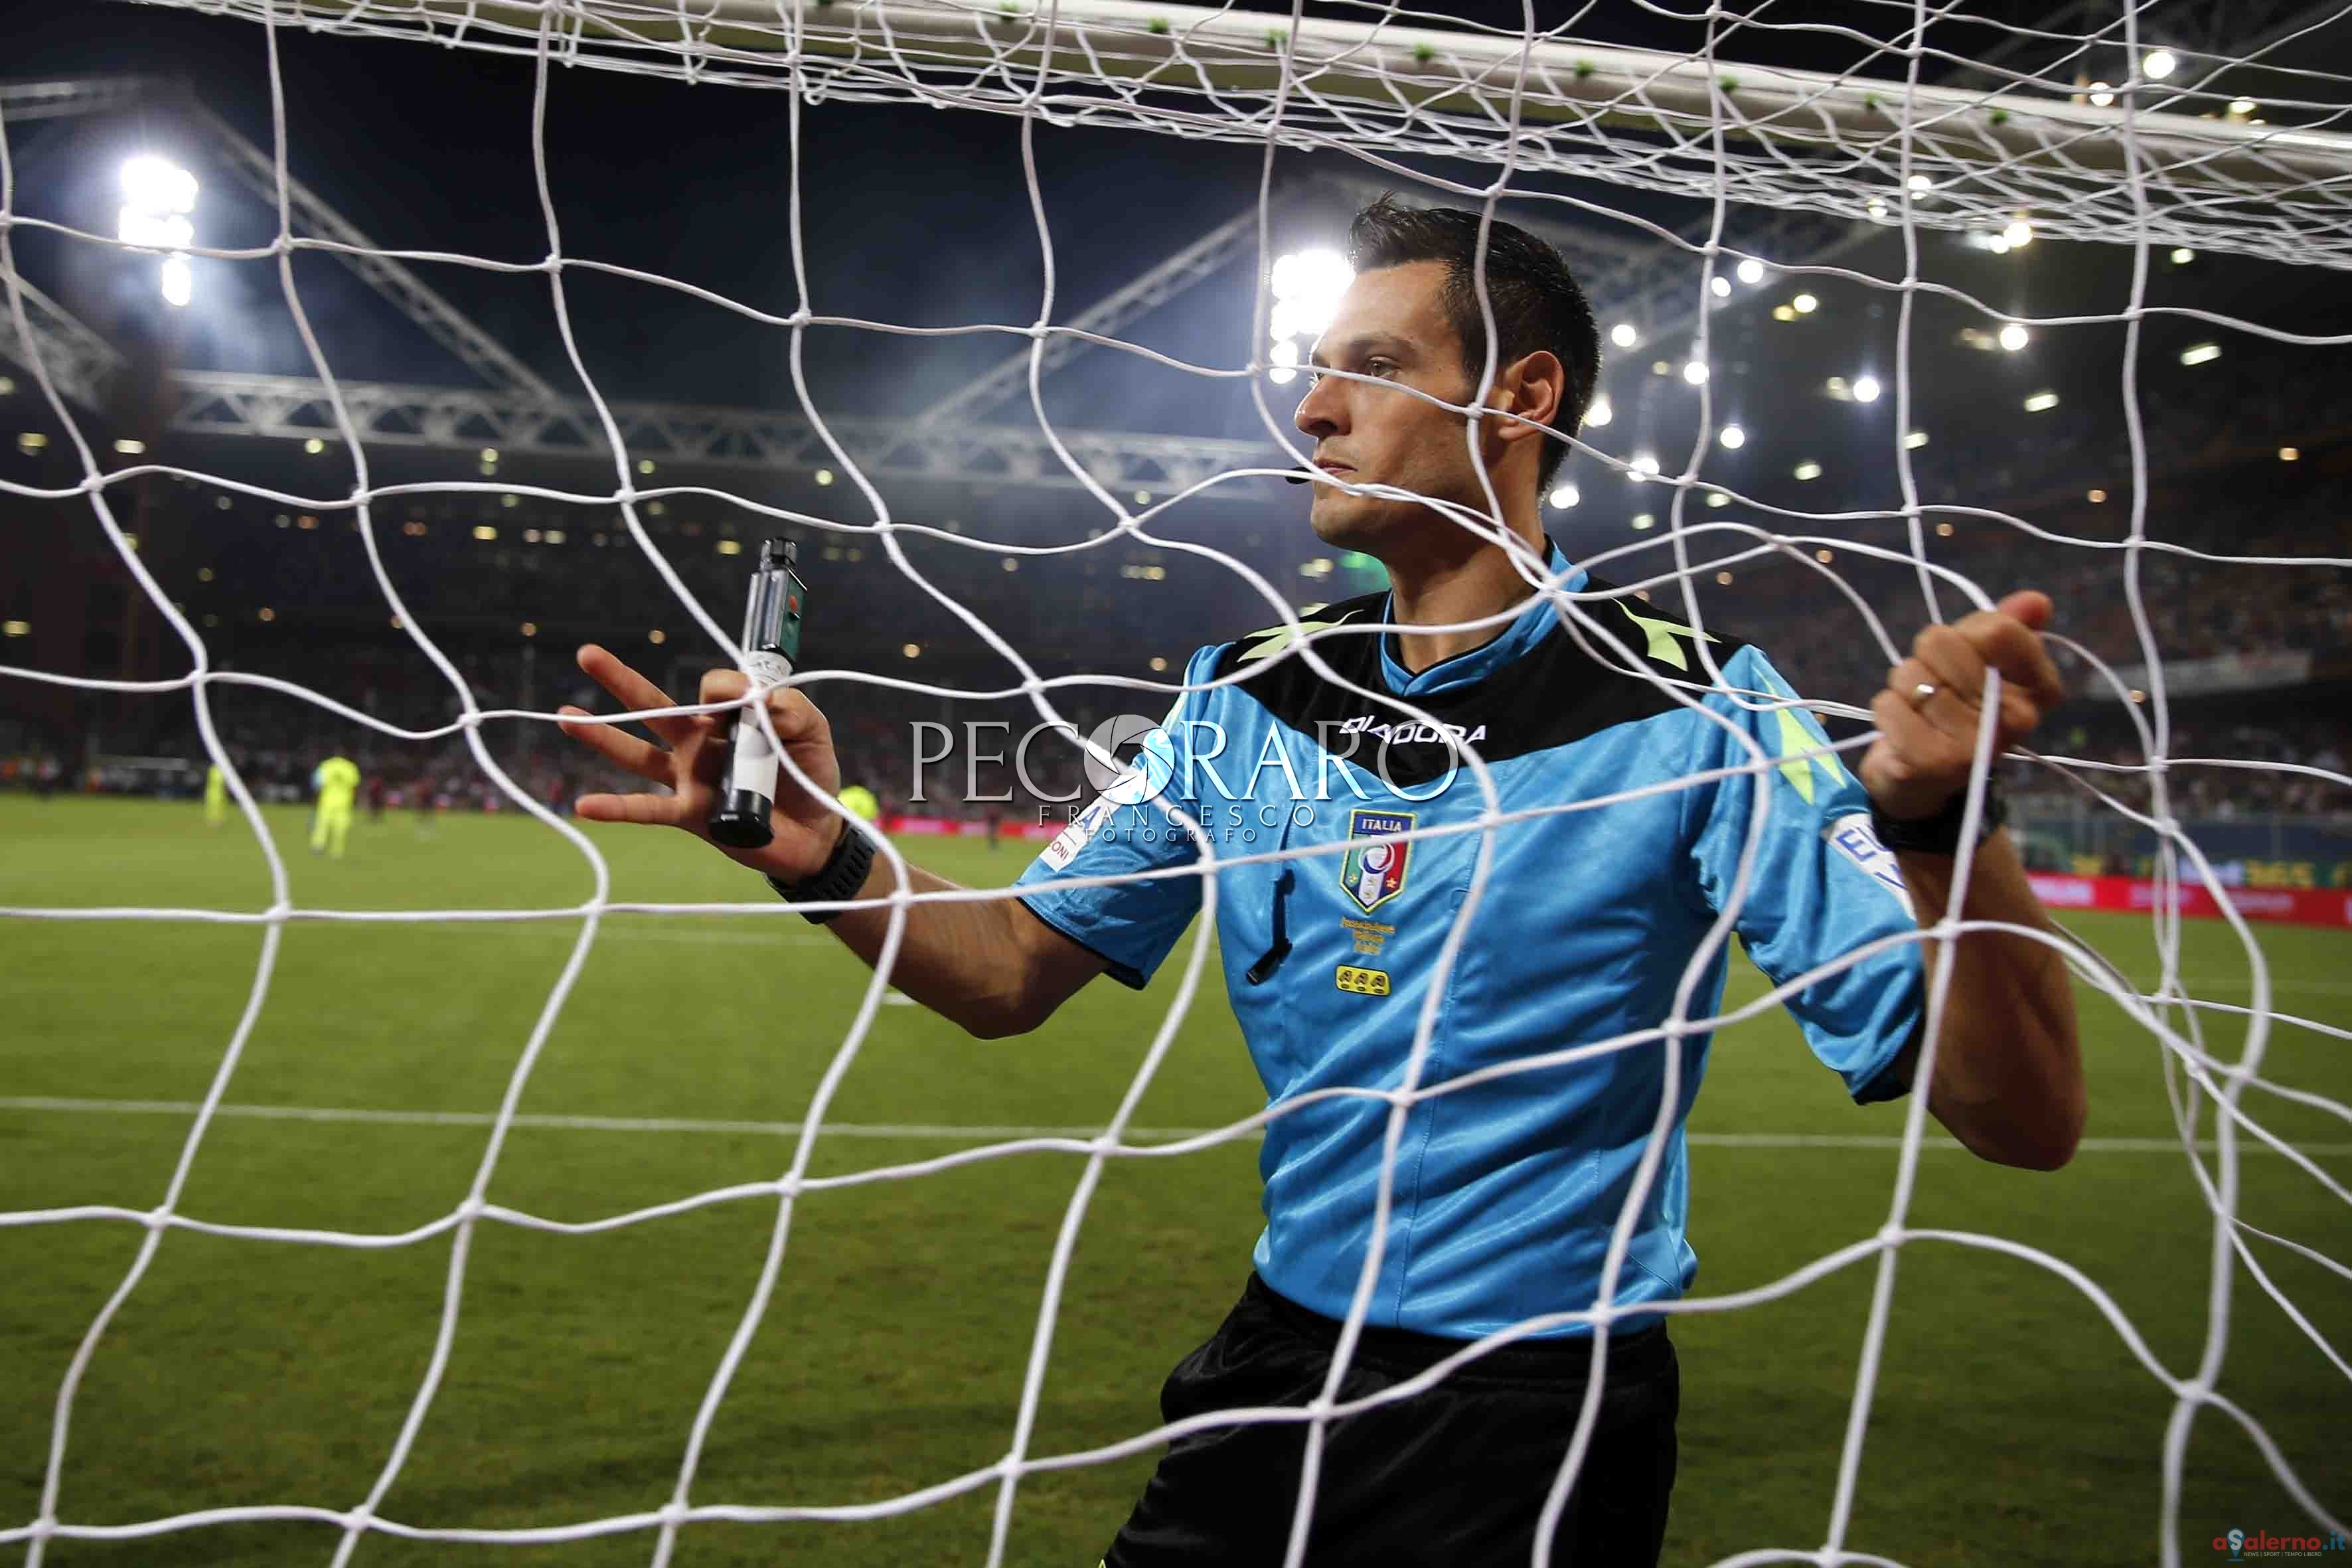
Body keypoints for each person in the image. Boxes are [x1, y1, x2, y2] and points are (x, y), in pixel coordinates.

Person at [555, 197, 2084, 1567]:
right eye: (1314, 366)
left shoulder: (1701, 716)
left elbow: (2022, 1121)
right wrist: (817, 849)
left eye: (1368, 363)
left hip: (1529, 1411)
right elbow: (1012, 966)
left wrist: (1953, 828)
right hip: (1272, 1366)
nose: (1310, 407)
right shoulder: (1244, 697)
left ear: (1521, 395)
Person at [309, 753, 361, 859]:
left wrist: (314, 797)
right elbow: (355, 785)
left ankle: (318, 846)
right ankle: (337, 851)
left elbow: (317, 782)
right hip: (344, 802)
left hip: (327, 801)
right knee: (340, 827)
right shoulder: (350, 767)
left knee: (322, 824)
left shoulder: (326, 766)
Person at [203, 761, 228, 827]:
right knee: (214, 806)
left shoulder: (215, 770)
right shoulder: (216, 771)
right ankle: (214, 820)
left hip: (217, 791)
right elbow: (219, 781)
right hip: (214, 791)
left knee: (218, 806)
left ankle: (217, 820)